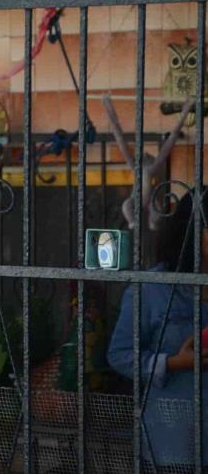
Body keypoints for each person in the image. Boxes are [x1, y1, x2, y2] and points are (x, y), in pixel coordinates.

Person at [108, 190, 208, 472]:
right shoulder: (153, 287)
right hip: (174, 439)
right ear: (192, 230)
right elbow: (120, 355)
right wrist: (174, 363)